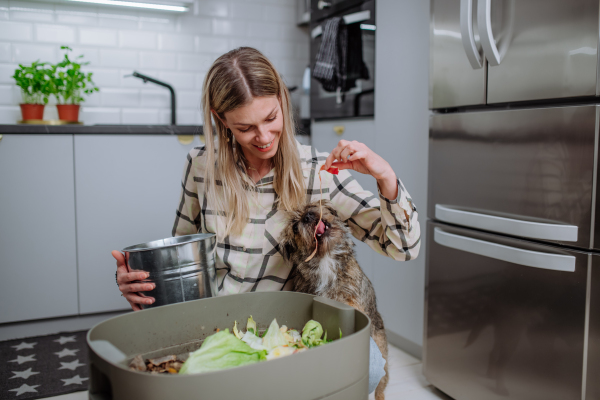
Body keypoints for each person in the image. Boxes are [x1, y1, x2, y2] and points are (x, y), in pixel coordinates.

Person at [113, 47, 420, 309]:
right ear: (221, 118)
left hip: (282, 332)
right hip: (214, 322)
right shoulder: (201, 165)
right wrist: (139, 281)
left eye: (271, 118)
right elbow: (182, 260)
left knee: (372, 368)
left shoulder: (317, 171)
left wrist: (385, 177)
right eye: (245, 127)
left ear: (282, 101)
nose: (263, 138)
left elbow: (404, 248)